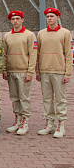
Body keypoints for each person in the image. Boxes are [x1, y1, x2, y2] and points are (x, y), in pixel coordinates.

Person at [36, 8, 72, 138]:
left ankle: (61, 125)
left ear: (57, 17)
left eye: (52, 16)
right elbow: (38, 53)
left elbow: (68, 54)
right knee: (47, 99)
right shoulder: (41, 33)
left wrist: (67, 73)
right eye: (47, 16)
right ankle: (49, 124)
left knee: (60, 99)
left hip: (58, 71)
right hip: (45, 71)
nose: (49, 18)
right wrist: (38, 71)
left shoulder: (65, 33)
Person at [3, 11, 37, 135]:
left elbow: (33, 55)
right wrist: (5, 70)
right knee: (14, 97)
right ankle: (17, 120)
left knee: (24, 98)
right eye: (13, 19)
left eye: (17, 18)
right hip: (11, 71)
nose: (15, 21)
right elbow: (5, 54)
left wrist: (30, 72)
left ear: (22, 20)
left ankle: (25, 122)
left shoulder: (29, 35)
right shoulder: (7, 36)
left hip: (23, 72)